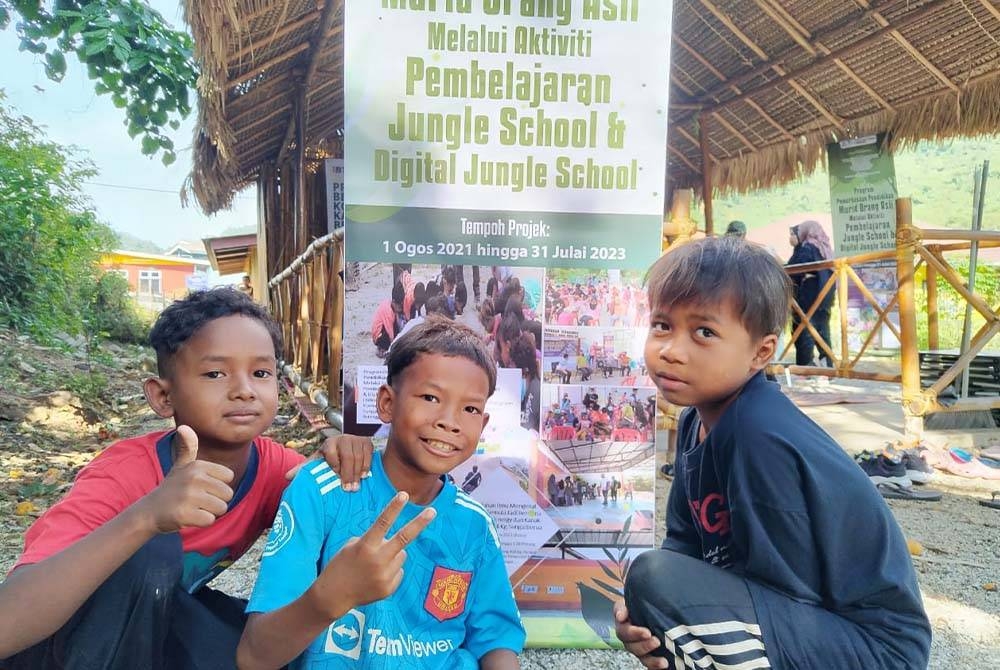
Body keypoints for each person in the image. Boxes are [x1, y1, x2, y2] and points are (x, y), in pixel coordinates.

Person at [0, 288, 371, 668]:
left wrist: (342, 462)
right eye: (215, 373)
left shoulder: (275, 468)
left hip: (152, 629)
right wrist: (147, 517)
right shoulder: (123, 475)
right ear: (163, 396)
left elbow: (347, 523)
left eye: (261, 372)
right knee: (152, 552)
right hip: (63, 648)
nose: (244, 390)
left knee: (261, 639)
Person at [614, 237, 930, 669]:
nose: (671, 350)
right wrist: (647, 616)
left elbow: (791, 590)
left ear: (761, 353)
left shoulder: (757, 434)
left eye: (704, 332)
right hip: (807, 624)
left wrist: (672, 605)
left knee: (654, 578)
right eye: (662, 325)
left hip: (871, 646)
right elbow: (682, 550)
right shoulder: (696, 424)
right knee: (650, 581)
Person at [238, 317, 525, 669]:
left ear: (482, 425)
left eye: (469, 409)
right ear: (387, 403)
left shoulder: (475, 525)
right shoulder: (324, 491)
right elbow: (255, 656)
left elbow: (495, 642)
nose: (450, 421)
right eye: (431, 397)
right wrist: (331, 597)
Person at [787, 220, 835, 367]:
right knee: (822, 329)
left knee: (804, 329)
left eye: (792, 234)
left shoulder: (808, 248)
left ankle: (805, 366)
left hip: (810, 295)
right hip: (825, 296)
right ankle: (827, 363)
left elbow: (793, 269)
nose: (790, 238)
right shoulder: (824, 249)